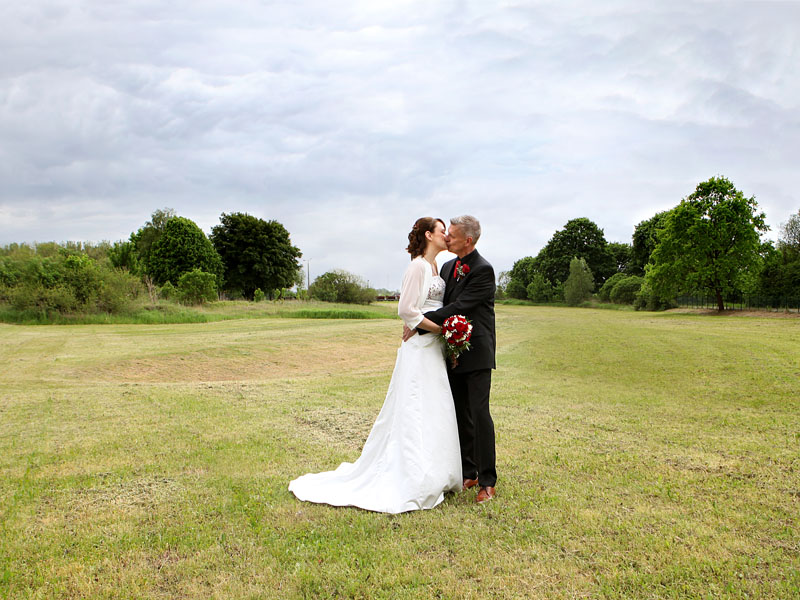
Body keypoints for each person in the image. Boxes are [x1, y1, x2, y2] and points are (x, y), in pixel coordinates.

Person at [288, 218, 462, 513]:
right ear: (429, 235)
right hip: (419, 348)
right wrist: (440, 330)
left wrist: (446, 333)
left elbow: (432, 308)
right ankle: (413, 475)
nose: (447, 234)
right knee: (415, 406)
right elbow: (405, 310)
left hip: (434, 349)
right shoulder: (418, 266)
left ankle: (437, 470)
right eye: (442, 230)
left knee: (436, 406)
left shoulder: (438, 268)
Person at [404, 215, 497, 503]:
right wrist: (416, 318)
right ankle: (468, 471)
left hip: (477, 352)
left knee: (480, 414)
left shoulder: (483, 270)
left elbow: (461, 305)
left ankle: (487, 480)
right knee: (459, 413)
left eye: (452, 235)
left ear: (467, 240)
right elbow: (440, 301)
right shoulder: (446, 267)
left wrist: (418, 321)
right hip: (449, 351)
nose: (448, 238)